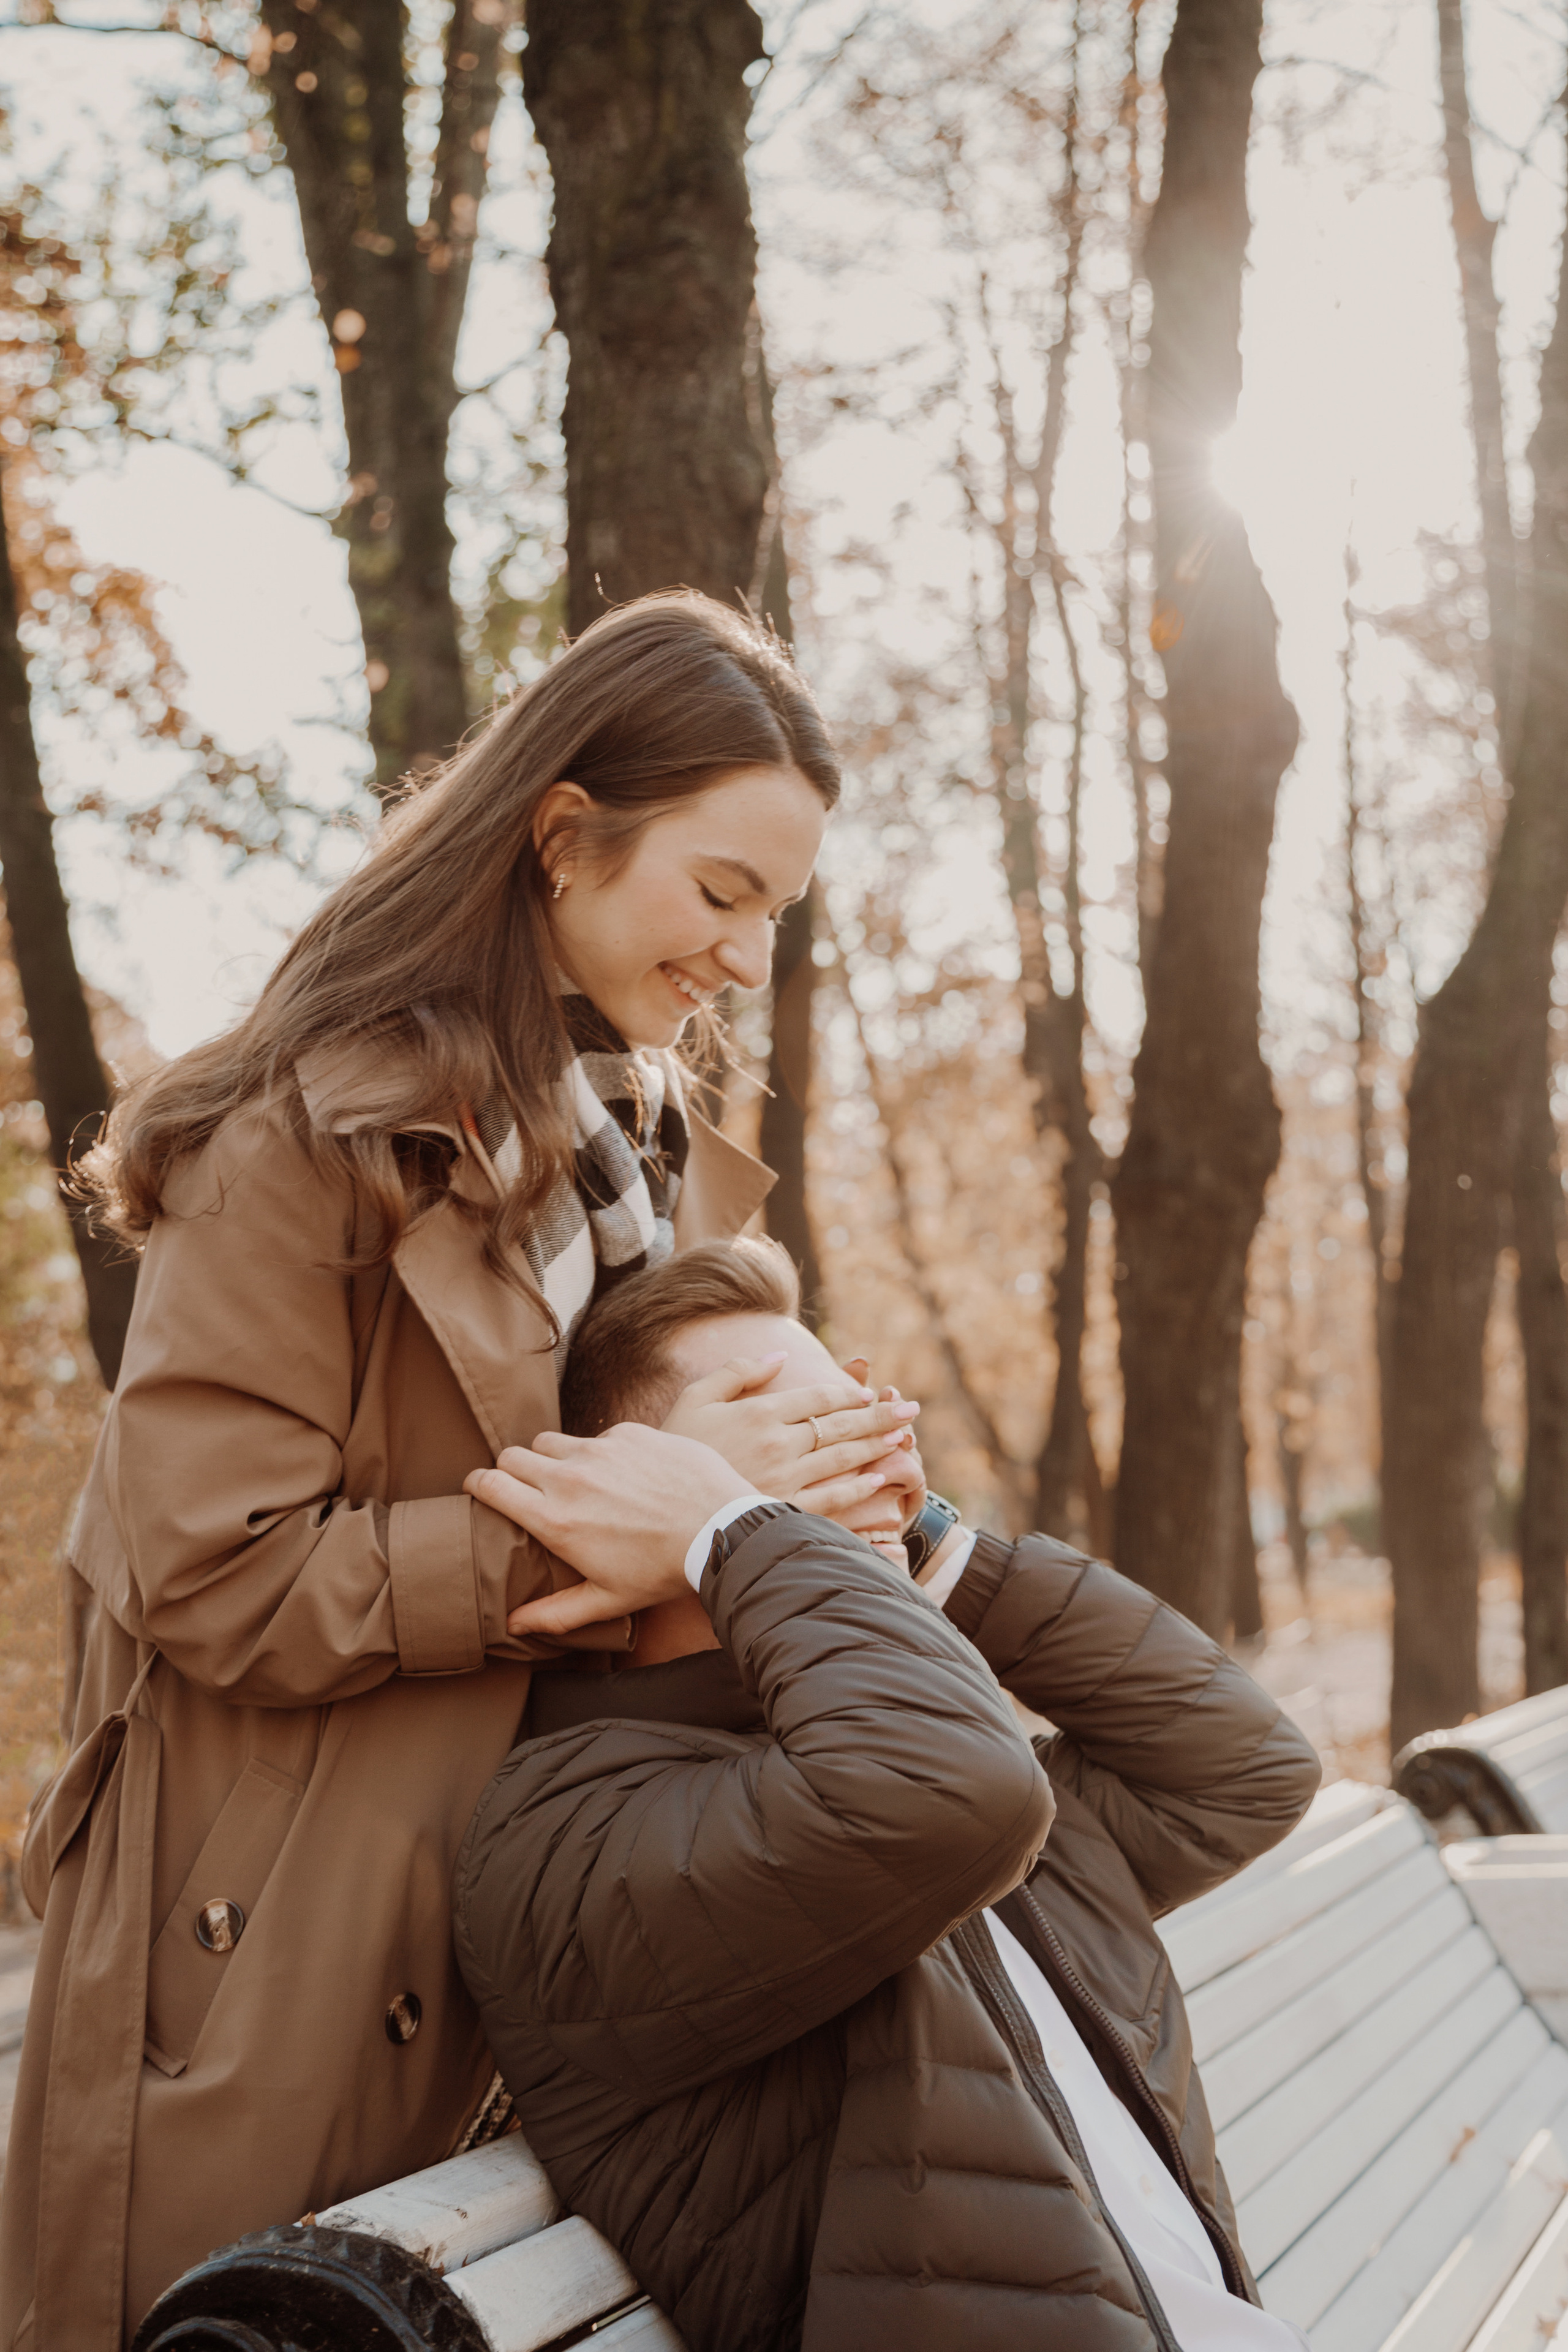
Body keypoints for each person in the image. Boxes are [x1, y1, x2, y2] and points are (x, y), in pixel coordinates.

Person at [1, 595, 923, 2352]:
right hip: (276, 1948)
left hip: (538, 1922)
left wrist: (801, 1494)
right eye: (721, 895)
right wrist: (632, 1532)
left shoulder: (646, 1167)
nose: (745, 956)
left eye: (777, 915)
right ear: (565, 836)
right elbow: (218, 1573)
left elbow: (671, 1497)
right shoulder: (302, 1144)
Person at [453, 1237, 1324, 2352]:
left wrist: (926, 1544)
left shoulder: (885, 1740)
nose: (874, 1446)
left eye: (865, 1421)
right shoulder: (571, 1832)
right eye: (806, 1433)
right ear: (635, 1492)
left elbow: (1242, 1773)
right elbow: (950, 1789)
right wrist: (733, 1533)